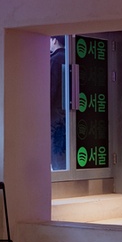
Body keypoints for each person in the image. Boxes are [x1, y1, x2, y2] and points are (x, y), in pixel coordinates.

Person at [50, 36, 66, 170]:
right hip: (66, 114)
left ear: (54, 40)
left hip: (55, 115)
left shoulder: (55, 60)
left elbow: (51, 90)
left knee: (56, 149)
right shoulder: (69, 57)